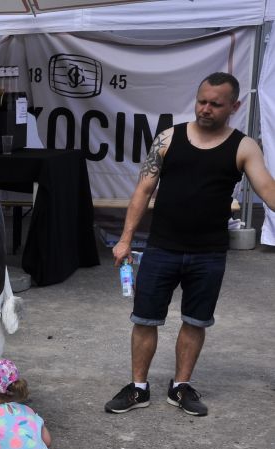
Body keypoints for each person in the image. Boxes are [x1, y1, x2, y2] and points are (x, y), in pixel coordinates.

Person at [105, 72, 275, 417]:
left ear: (234, 106)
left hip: (208, 253)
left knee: (196, 321)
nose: (206, 109)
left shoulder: (243, 146)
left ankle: (180, 386)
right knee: (144, 319)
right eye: (202, 101)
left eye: (215, 104)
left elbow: (268, 190)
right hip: (161, 247)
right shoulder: (168, 138)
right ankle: (139, 388)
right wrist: (125, 240)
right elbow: (142, 191)